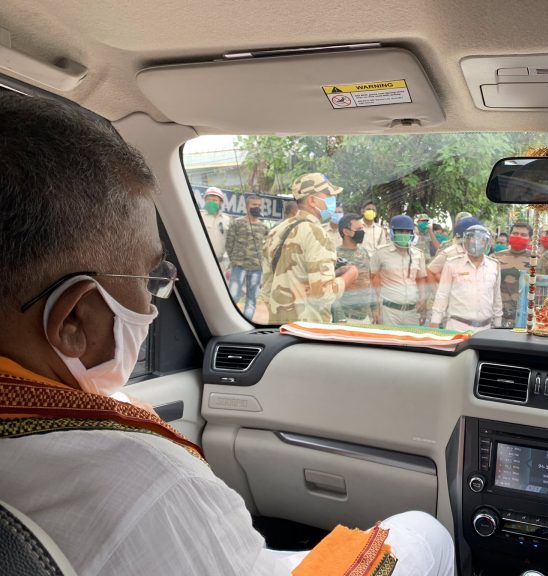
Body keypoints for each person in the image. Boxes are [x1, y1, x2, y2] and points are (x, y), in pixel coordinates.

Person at [0, 92, 453, 576]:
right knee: (425, 534)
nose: (154, 303)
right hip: (310, 311)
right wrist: (344, 281)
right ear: (74, 320)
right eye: (151, 280)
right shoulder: (147, 484)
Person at [256, 173, 358, 323]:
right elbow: (322, 294)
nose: (333, 202)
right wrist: (349, 276)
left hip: (277, 325)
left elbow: (267, 288)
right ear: (312, 200)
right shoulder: (317, 233)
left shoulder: (277, 231)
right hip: (307, 330)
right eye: (329, 196)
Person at [430, 225, 502, 332]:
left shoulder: (494, 265)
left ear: (487, 242)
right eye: (471, 238)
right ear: (465, 241)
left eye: (481, 239)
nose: (475, 242)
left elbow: (496, 298)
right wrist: (435, 324)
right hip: (457, 327)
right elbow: (442, 295)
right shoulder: (452, 264)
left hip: (485, 329)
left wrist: (498, 324)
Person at [370, 215, 428, 326]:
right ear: (392, 232)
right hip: (388, 311)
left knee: (411, 343)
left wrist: (423, 301)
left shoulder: (418, 254)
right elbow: (372, 280)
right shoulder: (380, 253)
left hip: (412, 311)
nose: (404, 234)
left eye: (407, 231)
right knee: (389, 343)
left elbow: (421, 279)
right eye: (400, 231)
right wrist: (375, 307)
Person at [226, 194, 269, 319]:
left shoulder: (264, 227)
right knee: (233, 296)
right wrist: (234, 260)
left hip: (256, 268)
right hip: (239, 266)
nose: (257, 207)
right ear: (247, 206)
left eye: (259, 205)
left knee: (251, 300)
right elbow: (229, 243)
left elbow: (266, 247)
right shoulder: (237, 223)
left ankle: (246, 322)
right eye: (254, 205)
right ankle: (230, 321)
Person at [333, 214, 375, 324]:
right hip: (346, 318)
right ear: (346, 232)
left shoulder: (363, 251)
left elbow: (368, 280)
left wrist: (374, 309)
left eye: (362, 228)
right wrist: (340, 318)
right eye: (358, 229)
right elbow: (331, 290)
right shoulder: (334, 256)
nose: (362, 232)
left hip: (365, 318)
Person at [495, 222, 532, 326]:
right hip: (500, 316)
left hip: (525, 317)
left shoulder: (536, 260)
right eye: (515, 233)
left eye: (523, 235)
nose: (518, 236)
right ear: (509, 236)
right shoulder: (495, 257)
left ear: (530, 239)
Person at [200, 186, 231, 268]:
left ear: (220, 202)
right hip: (200, 261)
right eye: (208, 200)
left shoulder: (227, 220)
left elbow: (230, 242)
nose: (211, 202)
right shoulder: (198, 217)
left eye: (214, 200)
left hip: (219, 264)